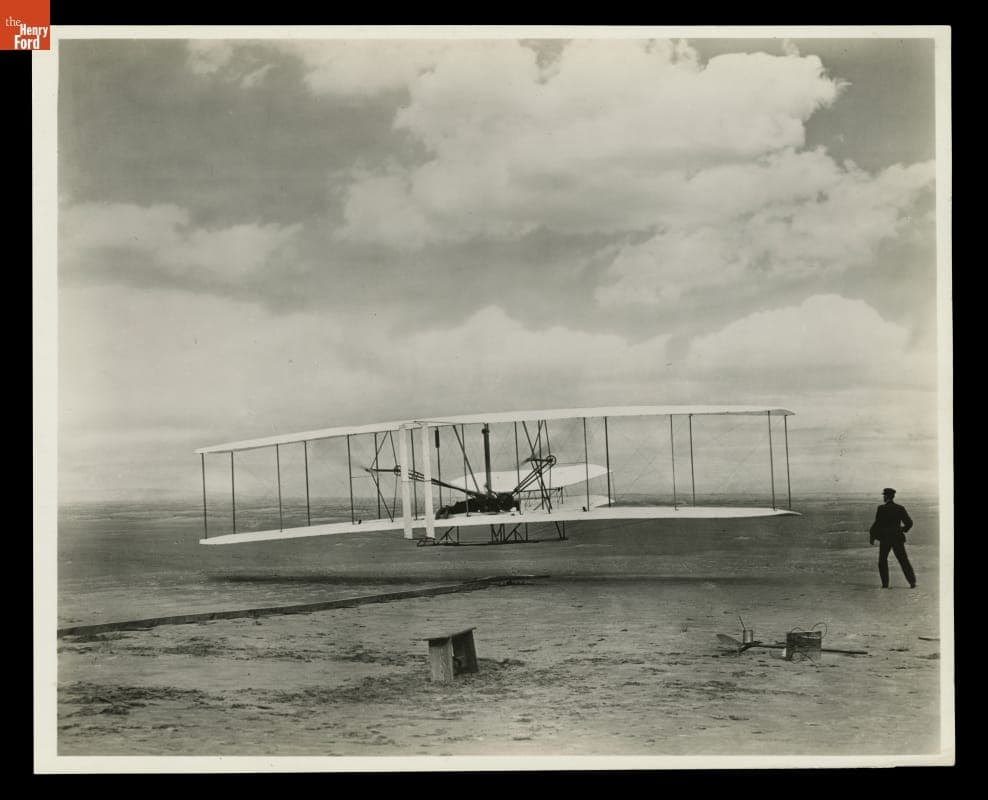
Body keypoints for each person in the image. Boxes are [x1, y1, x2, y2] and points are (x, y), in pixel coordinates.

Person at [869, 488, 916, 588]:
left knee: (882, 561)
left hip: (885, 538)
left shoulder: (881, 508)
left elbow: (877, 524)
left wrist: (872, 536)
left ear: (886, 496)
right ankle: (912, 583)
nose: (883, 497)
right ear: (893, 496)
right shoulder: (900, 508)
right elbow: (909, 523)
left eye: (884, 496)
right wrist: (902, 529)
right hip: (897, 538)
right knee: (903, 561)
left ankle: (885, 584)